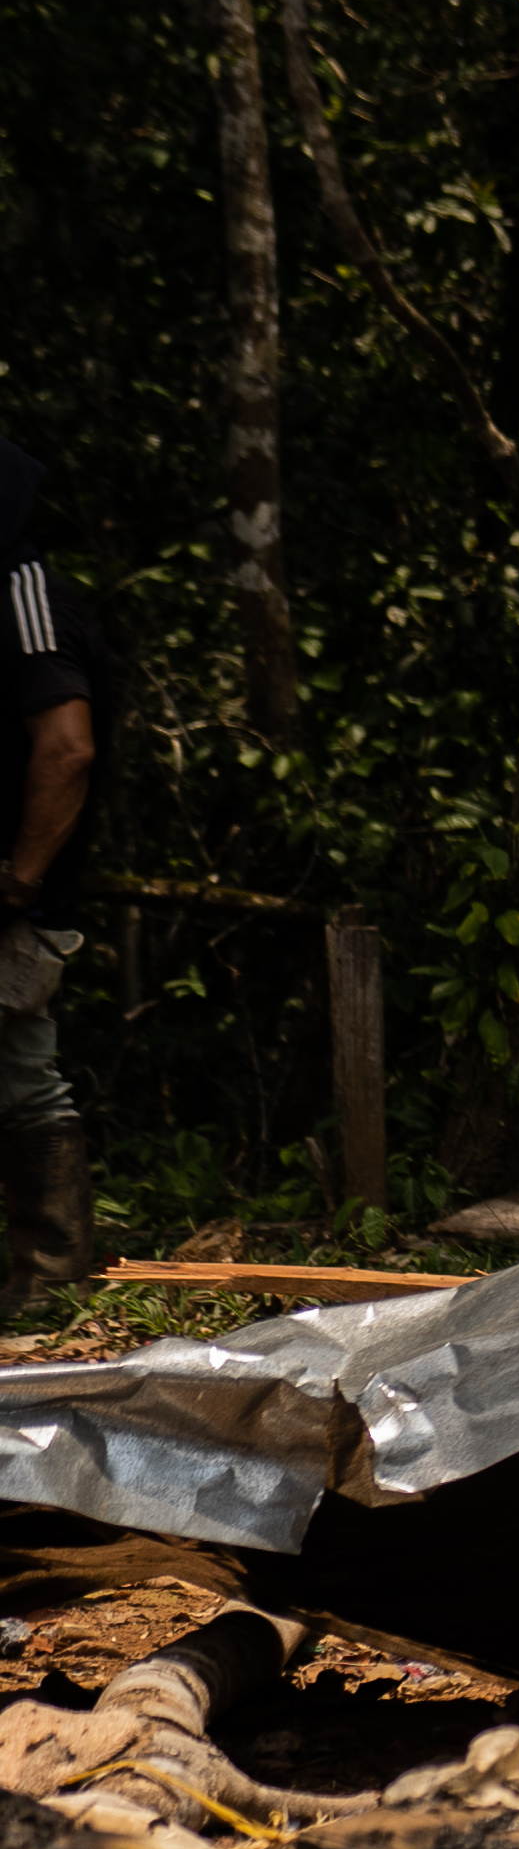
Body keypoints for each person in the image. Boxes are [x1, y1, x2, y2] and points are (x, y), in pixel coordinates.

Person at [0, 436, 104, 1297]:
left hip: (17, 903)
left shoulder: (24, 594)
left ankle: (50, 1275)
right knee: (22, 1073)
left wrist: (20, 881)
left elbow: (67, 749)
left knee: (25, 1078)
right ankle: (43, 1279)